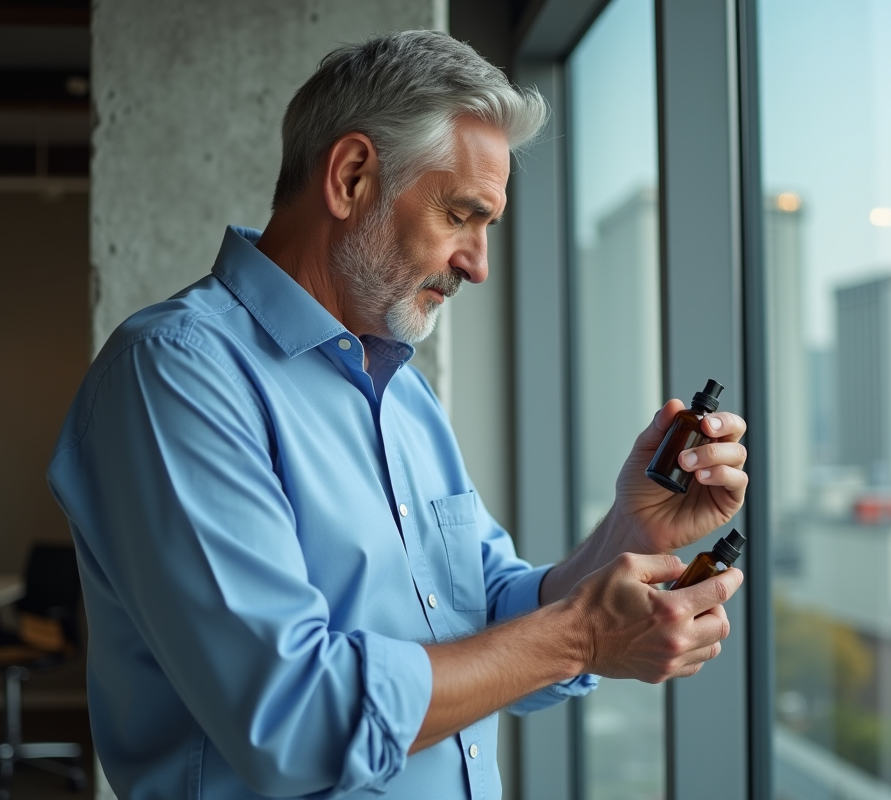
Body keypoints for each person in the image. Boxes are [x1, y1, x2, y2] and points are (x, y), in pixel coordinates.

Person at [47, 30, 748, 800]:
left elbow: (483, 623)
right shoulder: (176, 375)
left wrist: (628, 536)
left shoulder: (402, 389)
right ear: (351, 177)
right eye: (461, 215)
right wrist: (581, 633)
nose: (478, 264)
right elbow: (294, 720)